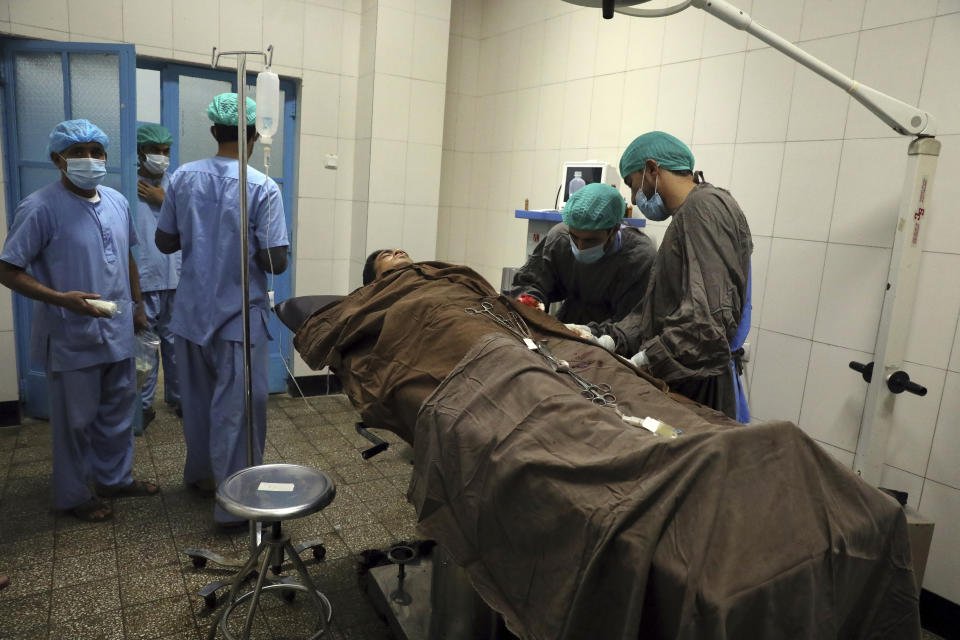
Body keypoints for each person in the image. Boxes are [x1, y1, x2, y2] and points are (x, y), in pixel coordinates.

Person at [0, 119, 159, 522]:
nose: (89, 160)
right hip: (72, 334)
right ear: (58, 159)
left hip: (118, 328)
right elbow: (8, 269)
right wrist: (61, 300)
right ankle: (72, 496)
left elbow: (126, 257)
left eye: (96, 152)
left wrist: (138, 305)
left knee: (119, 413)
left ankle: (114, 479)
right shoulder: (39, 208)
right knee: (75, 422)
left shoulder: (117, 201)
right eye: (78, 153)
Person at [156, 93, 288, 526]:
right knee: (238, 415)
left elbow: (165, 242)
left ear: (213, 131)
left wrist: (203, 231)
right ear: (253, 135)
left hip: (192, 315)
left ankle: (201, 476)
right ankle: (235, 509)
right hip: (238, 319)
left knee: (195, 403)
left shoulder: (181, 179)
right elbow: (276, 260)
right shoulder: (262, 186)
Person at [592, 131, 752, 422]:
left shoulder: (704, 209)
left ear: (653, 169)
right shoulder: (689, 213)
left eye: (632, 185)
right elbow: (661, 306)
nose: (633, 199)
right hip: (685, 374)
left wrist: (650, 359)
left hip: (699, 385)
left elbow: (706, 321)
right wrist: (612, 338)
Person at [511, 183, 656, 325]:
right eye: (574, 237)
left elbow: (633, 322)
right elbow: (532, 282)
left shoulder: (639, 257)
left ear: (614, 229)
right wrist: (530, 301)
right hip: (567, 324)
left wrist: (596, 337)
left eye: (591, 241)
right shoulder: (560, 239)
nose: (580, 247)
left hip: (613, 340)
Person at [134, 124, 181, 428]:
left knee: (177, 346)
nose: (162, 158)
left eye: (166, 152)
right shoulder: (128, 184)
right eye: (156, 152)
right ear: (140, 152)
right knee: (143, 349)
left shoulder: (176, 184)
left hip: (176, 278)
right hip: (145, 280)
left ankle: (179, 398)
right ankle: (141, 405)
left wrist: (164, 199)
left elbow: (194, 219)